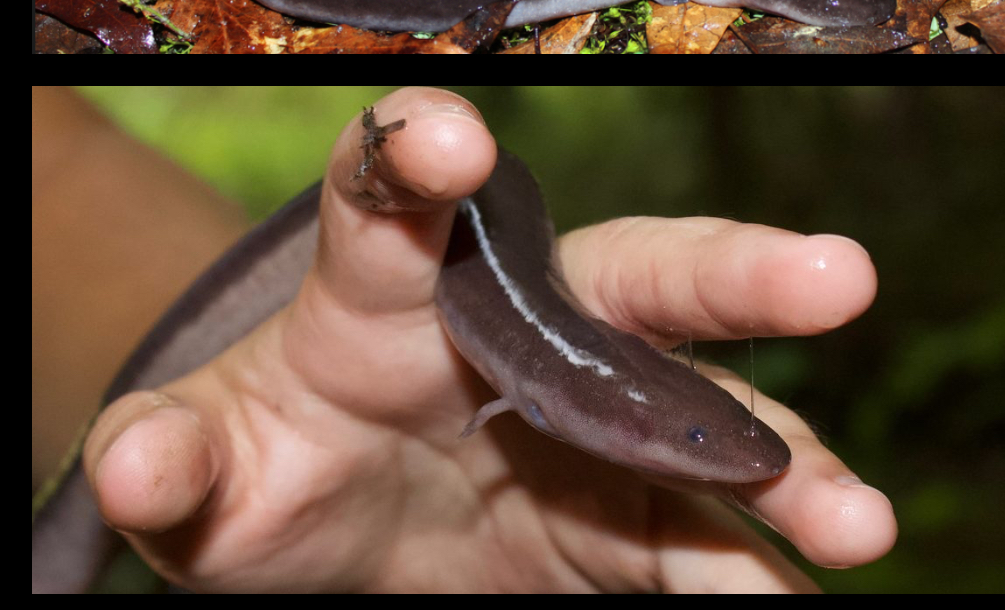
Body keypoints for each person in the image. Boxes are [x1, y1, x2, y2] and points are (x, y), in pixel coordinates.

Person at [33, 86, 896, 593]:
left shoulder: (556, 392)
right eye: (697, 435)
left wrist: (275, 401)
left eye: (699, 428)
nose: (719, 450)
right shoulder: (553, 389)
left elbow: (60, 170)